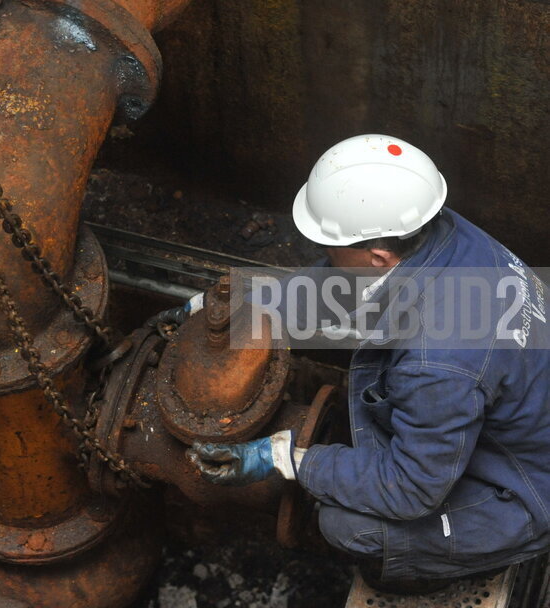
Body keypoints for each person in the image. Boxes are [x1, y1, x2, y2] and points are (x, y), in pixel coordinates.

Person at [189, 135, 550, 592]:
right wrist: (221, 307)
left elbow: (412, 490)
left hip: (526, 490)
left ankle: (446, 570)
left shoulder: (435, 362)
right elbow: (332, 286)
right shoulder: (439, 233)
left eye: (331, 247)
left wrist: (283, 458)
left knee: (344, 525)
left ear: (379, 257)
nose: (326, 256)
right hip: (522, 417)